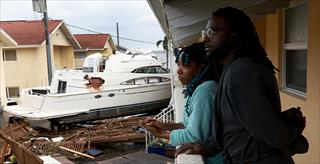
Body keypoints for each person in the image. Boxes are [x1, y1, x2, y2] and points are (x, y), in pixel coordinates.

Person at [176, 7, 307, 164]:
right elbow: (234, 127)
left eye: (212, 32)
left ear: (234, 36)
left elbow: (273, 135)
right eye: (205, 32)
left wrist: (293, 126)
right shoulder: (233, 69)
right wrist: (206, 147)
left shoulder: (242, 73)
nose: (205, 38)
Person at [144, 42, 223, 163]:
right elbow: (191, 125)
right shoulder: (197, 88)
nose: (178, 71)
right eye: (178, 65)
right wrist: (165, 126)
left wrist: (160, 134)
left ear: (201, 67)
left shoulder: (205, 90)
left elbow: (195, 135)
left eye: (185, 65)